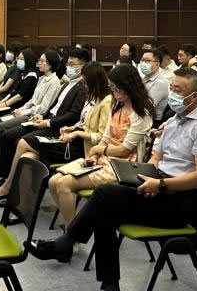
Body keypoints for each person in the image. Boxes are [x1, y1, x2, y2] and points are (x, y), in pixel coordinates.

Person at [29, 68, 197, 291]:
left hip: (179, 202)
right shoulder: (174, 122)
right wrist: (146, 178)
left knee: (105, 195)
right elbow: (156, 159)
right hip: (157, 186)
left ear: (194, 97)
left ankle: (66, 243)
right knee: (104, 215)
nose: (172, 94)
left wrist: (161, 185)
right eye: (171, 88)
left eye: (178, 90)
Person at [47, 64, 156, 228]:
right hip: (104, 158)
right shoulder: (117, 106)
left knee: (64, 183)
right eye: (112, 87)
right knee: (53, 181)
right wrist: (94, 155)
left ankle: (71, 233)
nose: (113, 91)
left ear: (128, 87)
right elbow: (105, 138)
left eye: (116, 87)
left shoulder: (141, 113)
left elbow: (125, 149)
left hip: (123, 166)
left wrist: (99, 149)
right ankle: (74, 225)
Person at [0, 61, 112, 200]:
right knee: (27, 156)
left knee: (23, 143)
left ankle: (8, 186)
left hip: (80, 147)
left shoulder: (106, 102)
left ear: (94, 82)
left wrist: (76, 133)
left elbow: (101, 137)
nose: (84, 85)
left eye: (86, 82)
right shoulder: (92, 97)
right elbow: (83, 122)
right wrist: (72, 128)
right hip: (71, 138)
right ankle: (20, 197)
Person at [0, 48, 90, 183]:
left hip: (56, 127)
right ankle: (7, 179)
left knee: (13, 137)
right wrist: (43, 117)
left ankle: (10, 181)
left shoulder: (81, 87)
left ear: (83, 66)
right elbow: (50, 107)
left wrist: (46, 121)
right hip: (44, 118)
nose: (68, 68)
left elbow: (72, 115)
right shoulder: (65, 83)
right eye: (68, 64)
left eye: (72, 65)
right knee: (7, 134)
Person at [0, 48, 61, 156]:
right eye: (39, 60)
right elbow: (32, 100)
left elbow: (43, 108)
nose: (39, 63)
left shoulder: (54, 82)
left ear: (50, 64)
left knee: (0, 128)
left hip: (33, 116)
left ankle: (5, 155)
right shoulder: (42, 78)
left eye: (42, 61)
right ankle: (3, 153)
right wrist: (20, 109)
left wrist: (23, 112)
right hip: (27, 111)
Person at [138, 47, 170, 118]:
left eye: (147, 61)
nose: (143, 63)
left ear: (157, 64)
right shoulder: (143, 79)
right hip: (141, 116)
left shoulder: (160, 83)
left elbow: (147, 108)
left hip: (152, 120)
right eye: (142, 60)